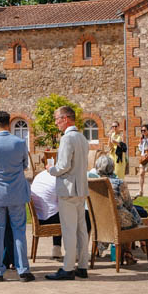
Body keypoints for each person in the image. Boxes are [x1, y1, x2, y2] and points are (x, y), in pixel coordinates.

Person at [0, 110, 34, 282]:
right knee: (19, 231)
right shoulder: (20, 143)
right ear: (9, 124)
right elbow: (25, 166)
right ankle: (23, 270)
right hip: (17, 192)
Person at [44, 106, 90, 280]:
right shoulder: (82, 138)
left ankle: (68, 267)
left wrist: (50, 169)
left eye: (57, 118)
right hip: (80, 189)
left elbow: (63, 166)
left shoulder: (67, 138)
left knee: (69, 230)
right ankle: (83, 266)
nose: (56, 122)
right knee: (81, 230)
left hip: (68, 189)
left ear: (65, 118)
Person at [92, 154, 145, 265]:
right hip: (119, 221)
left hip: (101, 222)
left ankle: (99, 251)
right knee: (129, 218)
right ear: (112, 167)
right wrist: (139, 222)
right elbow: (129, 204)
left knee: (125, 217)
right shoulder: (119, 183)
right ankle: (128, 252)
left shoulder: (92, 183)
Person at [30, 163, 63, 260]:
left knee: (55, 208)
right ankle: (76, 250)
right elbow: (62, 201)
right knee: (72, 213)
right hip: (51, 219)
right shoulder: (57, 179)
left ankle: (57, 249)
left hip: (37, 218)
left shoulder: (39, 176)